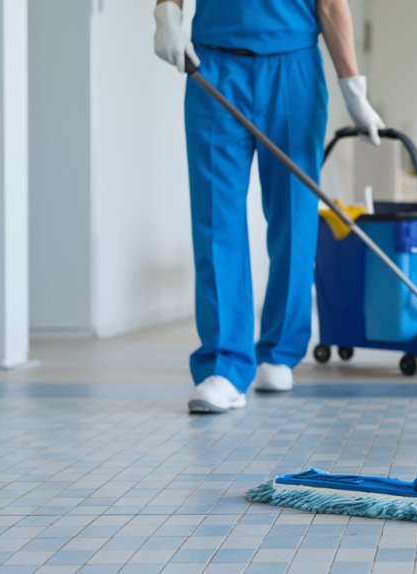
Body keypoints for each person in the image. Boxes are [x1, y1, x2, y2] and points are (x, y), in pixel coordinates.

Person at [153, 0, 385, 413]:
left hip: (293, 69)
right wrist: (166, 12)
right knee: (215, 220)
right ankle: (225, 366)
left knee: (295, 221)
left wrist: (353, 87)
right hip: (215, 64)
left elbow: (330, 4)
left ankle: (279, 352)